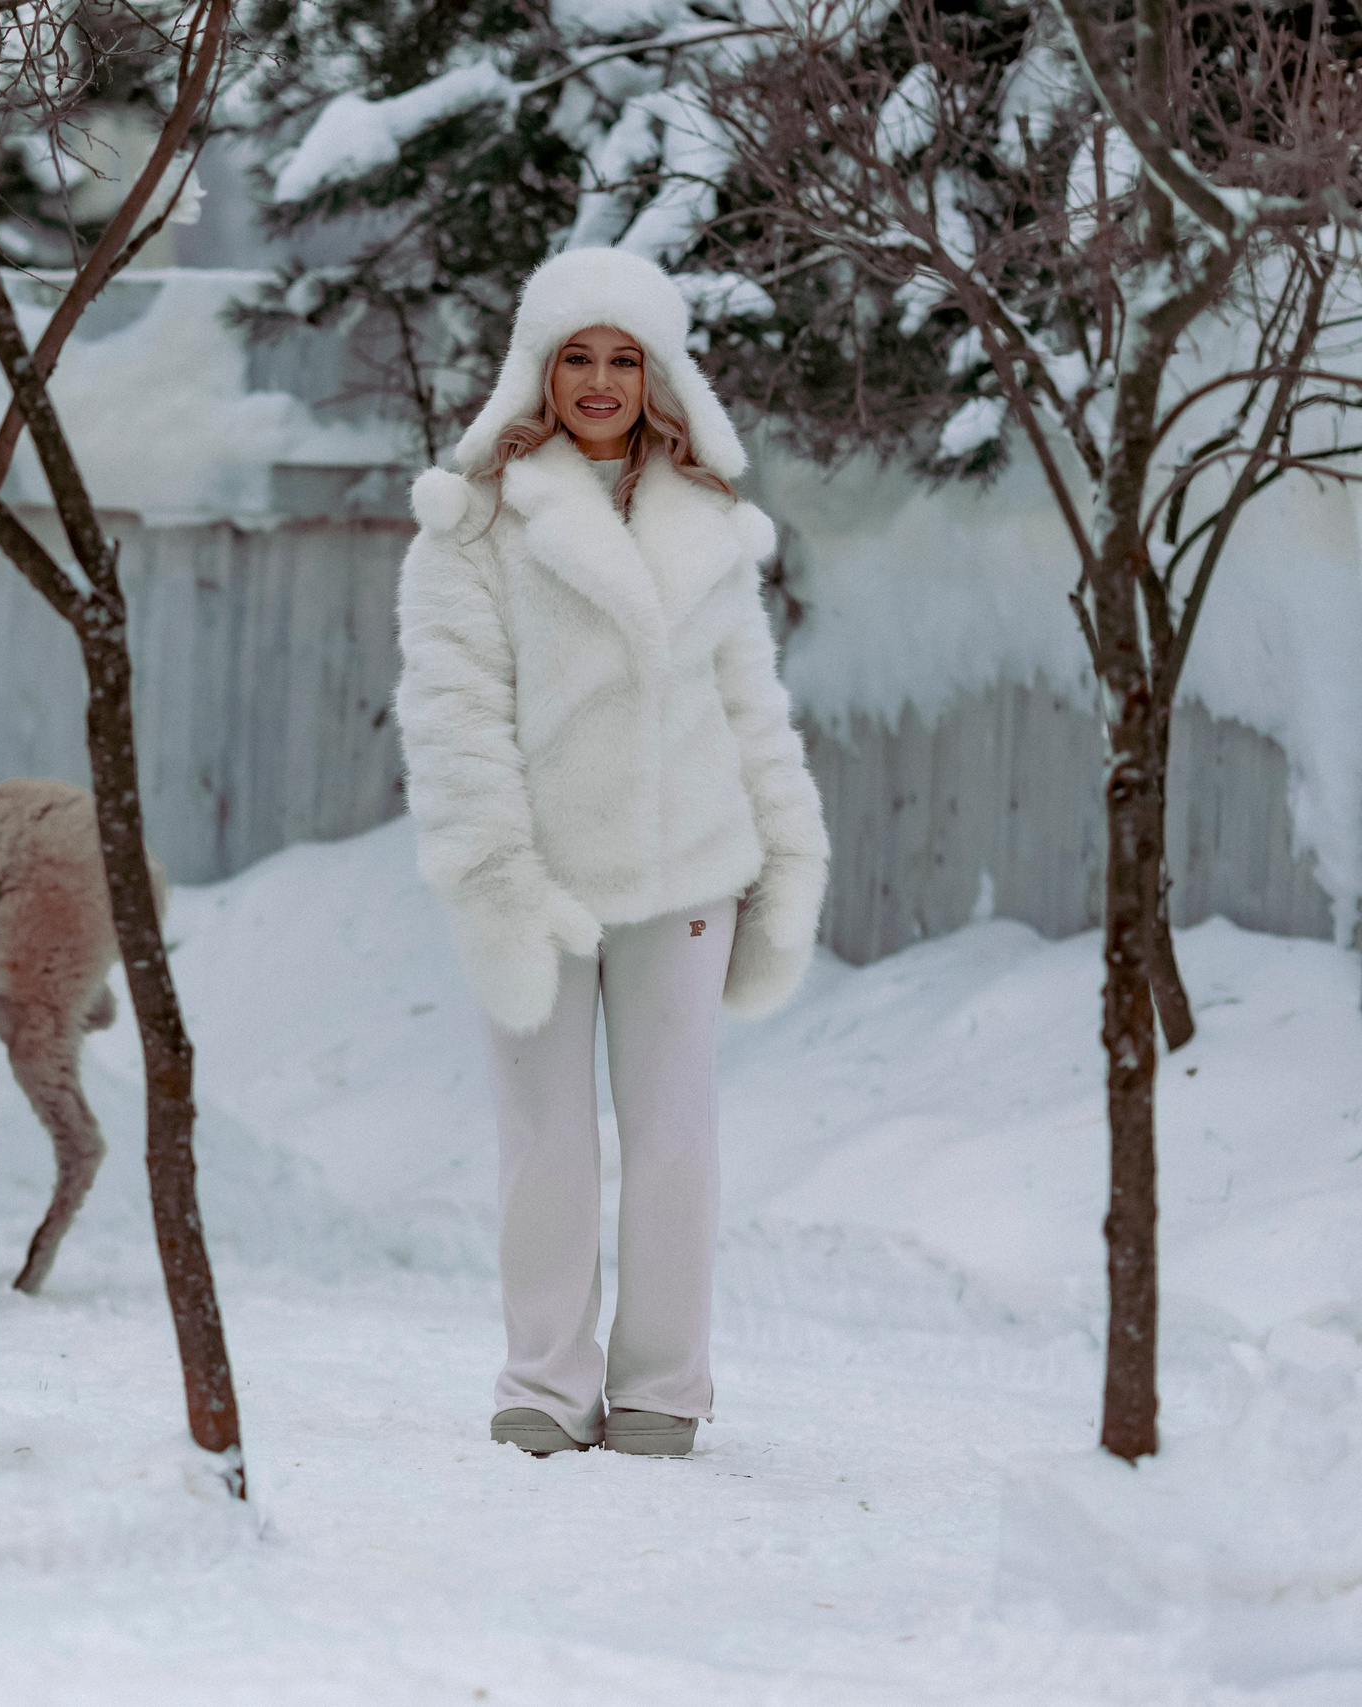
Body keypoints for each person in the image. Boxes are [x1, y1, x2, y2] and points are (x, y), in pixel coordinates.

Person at [394, 248, 829, 1458]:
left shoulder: (710, 522)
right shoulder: (475, 520)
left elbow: (751, 706)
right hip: (541, 881)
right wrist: (497, 877)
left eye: (623, 359)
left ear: (659, 375)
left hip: (692, 872)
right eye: (575, 357)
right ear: (536, 371)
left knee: (674, 1134)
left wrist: (785, 851)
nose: (598, 381)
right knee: (545, 1137)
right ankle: (544, 1382)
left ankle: (663, 1388)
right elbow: (452, 715)